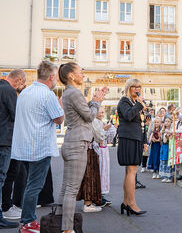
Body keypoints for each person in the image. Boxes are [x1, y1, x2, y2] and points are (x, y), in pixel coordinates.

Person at [11, 61, 64, 232]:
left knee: (29, 185)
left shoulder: (25, 92)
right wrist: (60, 105)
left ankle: (26, 221)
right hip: (39, 146)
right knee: (34, 186)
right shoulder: (47, 95)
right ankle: (27, 222)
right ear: (51, 77)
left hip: (24, 146)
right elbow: (59, 119)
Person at [57, 62, 107, 233]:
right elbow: (89, 116)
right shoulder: (74, 93)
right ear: (71, 75)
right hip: (77, 144)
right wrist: (96, 102)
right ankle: (67, 229)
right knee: (71, 189)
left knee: (66, 187)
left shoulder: (68, 93)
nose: (83, 74)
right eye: (81, 71)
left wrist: (94, 101)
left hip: (71, 142)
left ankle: (58, 222)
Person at [117, 78, 146, 216]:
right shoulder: (124, 101)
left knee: (130, 172)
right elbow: (128, 116)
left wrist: (144, 140)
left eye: (139, 87)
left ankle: (126, 202)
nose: (137, 89)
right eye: (134, 86)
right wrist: (139, 105)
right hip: (128, 139)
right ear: (128, 87)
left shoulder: (136, 102)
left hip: (136, 139)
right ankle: (132, 204)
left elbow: (142, 124)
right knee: (131, 172)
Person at [0, 69, 26, 227]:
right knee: (2, 177)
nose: (22, 86)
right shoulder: (9, 91)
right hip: (4, 141)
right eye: (22, 83)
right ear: (18, 80)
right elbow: (16, 115)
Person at [94, 107, 116, 206]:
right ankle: (96, 196)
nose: (102, 114)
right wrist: (104, 129)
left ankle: (101, 195)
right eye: (100, 112)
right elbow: (96, 136)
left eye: (103, 112)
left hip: (104, 150)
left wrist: (111, 129)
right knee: (99, 172)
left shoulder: (103, 123)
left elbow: (109, 139)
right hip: (98, 150)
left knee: (104, 172)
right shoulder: (94, 123)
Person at [159, 118, 173, 183]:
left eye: (168, 121)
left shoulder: (171, 130)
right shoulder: (163, 130)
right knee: (163, 161)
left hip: (168, 146)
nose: (167, 122)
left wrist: (168, 137)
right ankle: (164, 176)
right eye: (166, 121)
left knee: (168, 161)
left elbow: (171, 139)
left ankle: (169, 176)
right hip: (163, 146)